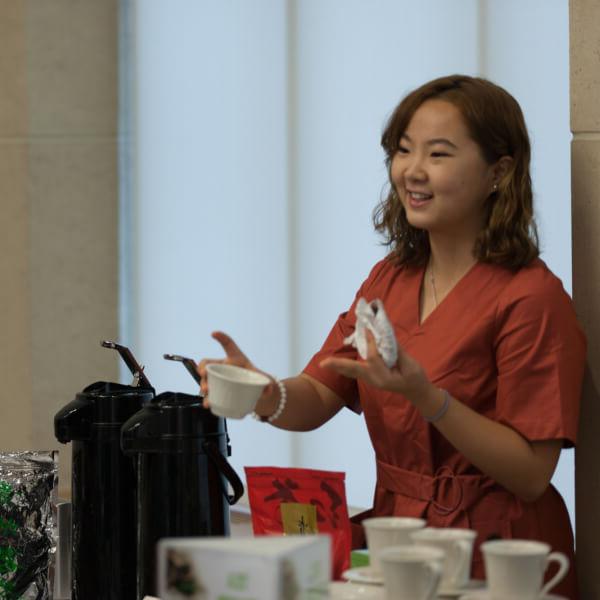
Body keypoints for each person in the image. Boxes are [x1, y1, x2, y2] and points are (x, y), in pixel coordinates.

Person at [197, 74, 586, 599]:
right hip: (399, 541)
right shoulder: (390, 279)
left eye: (439, 154)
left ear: (500, 170)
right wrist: (264, 393)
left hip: (499, 552)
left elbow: (532, 474)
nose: (412, 171)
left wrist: (427, 398)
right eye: (403, 151)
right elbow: (318, 394)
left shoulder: (531, 297)